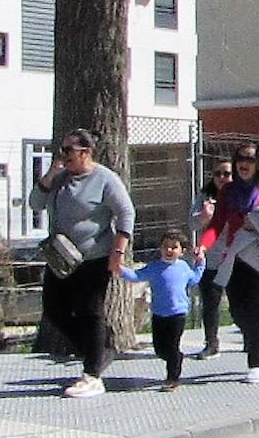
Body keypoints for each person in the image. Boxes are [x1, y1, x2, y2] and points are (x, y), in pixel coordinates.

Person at [28, 128, 135, 398]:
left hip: (93, 257)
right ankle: (98, 350)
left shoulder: (104, 179)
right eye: (61, 150)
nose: (63, 156)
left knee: (90, 311)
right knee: (54, 310)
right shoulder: (61, 178)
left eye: (68, 151)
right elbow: (35, 203)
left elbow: (125, 213)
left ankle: (92, 374)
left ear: (85, 153)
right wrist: (52, 173)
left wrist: (118, 253)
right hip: (61, 258)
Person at [199, 141, 259, 384]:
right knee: (238, 312)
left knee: (257, 312)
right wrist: (203, 246)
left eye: (250, 159)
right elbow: (218, 223)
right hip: (235, 255)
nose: (243, 163)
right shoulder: (228, 191)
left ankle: (257, 364)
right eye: (240, 158)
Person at [120, 230, 206, 391]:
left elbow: (194, 279)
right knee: (160, 348)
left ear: (182, 252)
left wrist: (200, 263)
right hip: (159, 313)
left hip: (178, 314)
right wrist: (120, 269)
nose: (169, 250)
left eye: (174, 247)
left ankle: (172, 378)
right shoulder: (154, 267)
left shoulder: (183, 267)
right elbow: (136, 276)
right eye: (165, 246)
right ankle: (175, 358)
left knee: (172, 346)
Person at [191, 158, 232, 358]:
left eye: (227, 173)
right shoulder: (205, 196)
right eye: (218, 174)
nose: (222, 178)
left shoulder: (242, 196)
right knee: (210, 302)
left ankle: (255, 339)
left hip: (237, 257)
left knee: (240, 305)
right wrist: (205, 217)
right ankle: (211, 343)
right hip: (211, 258)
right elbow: (192, 223)